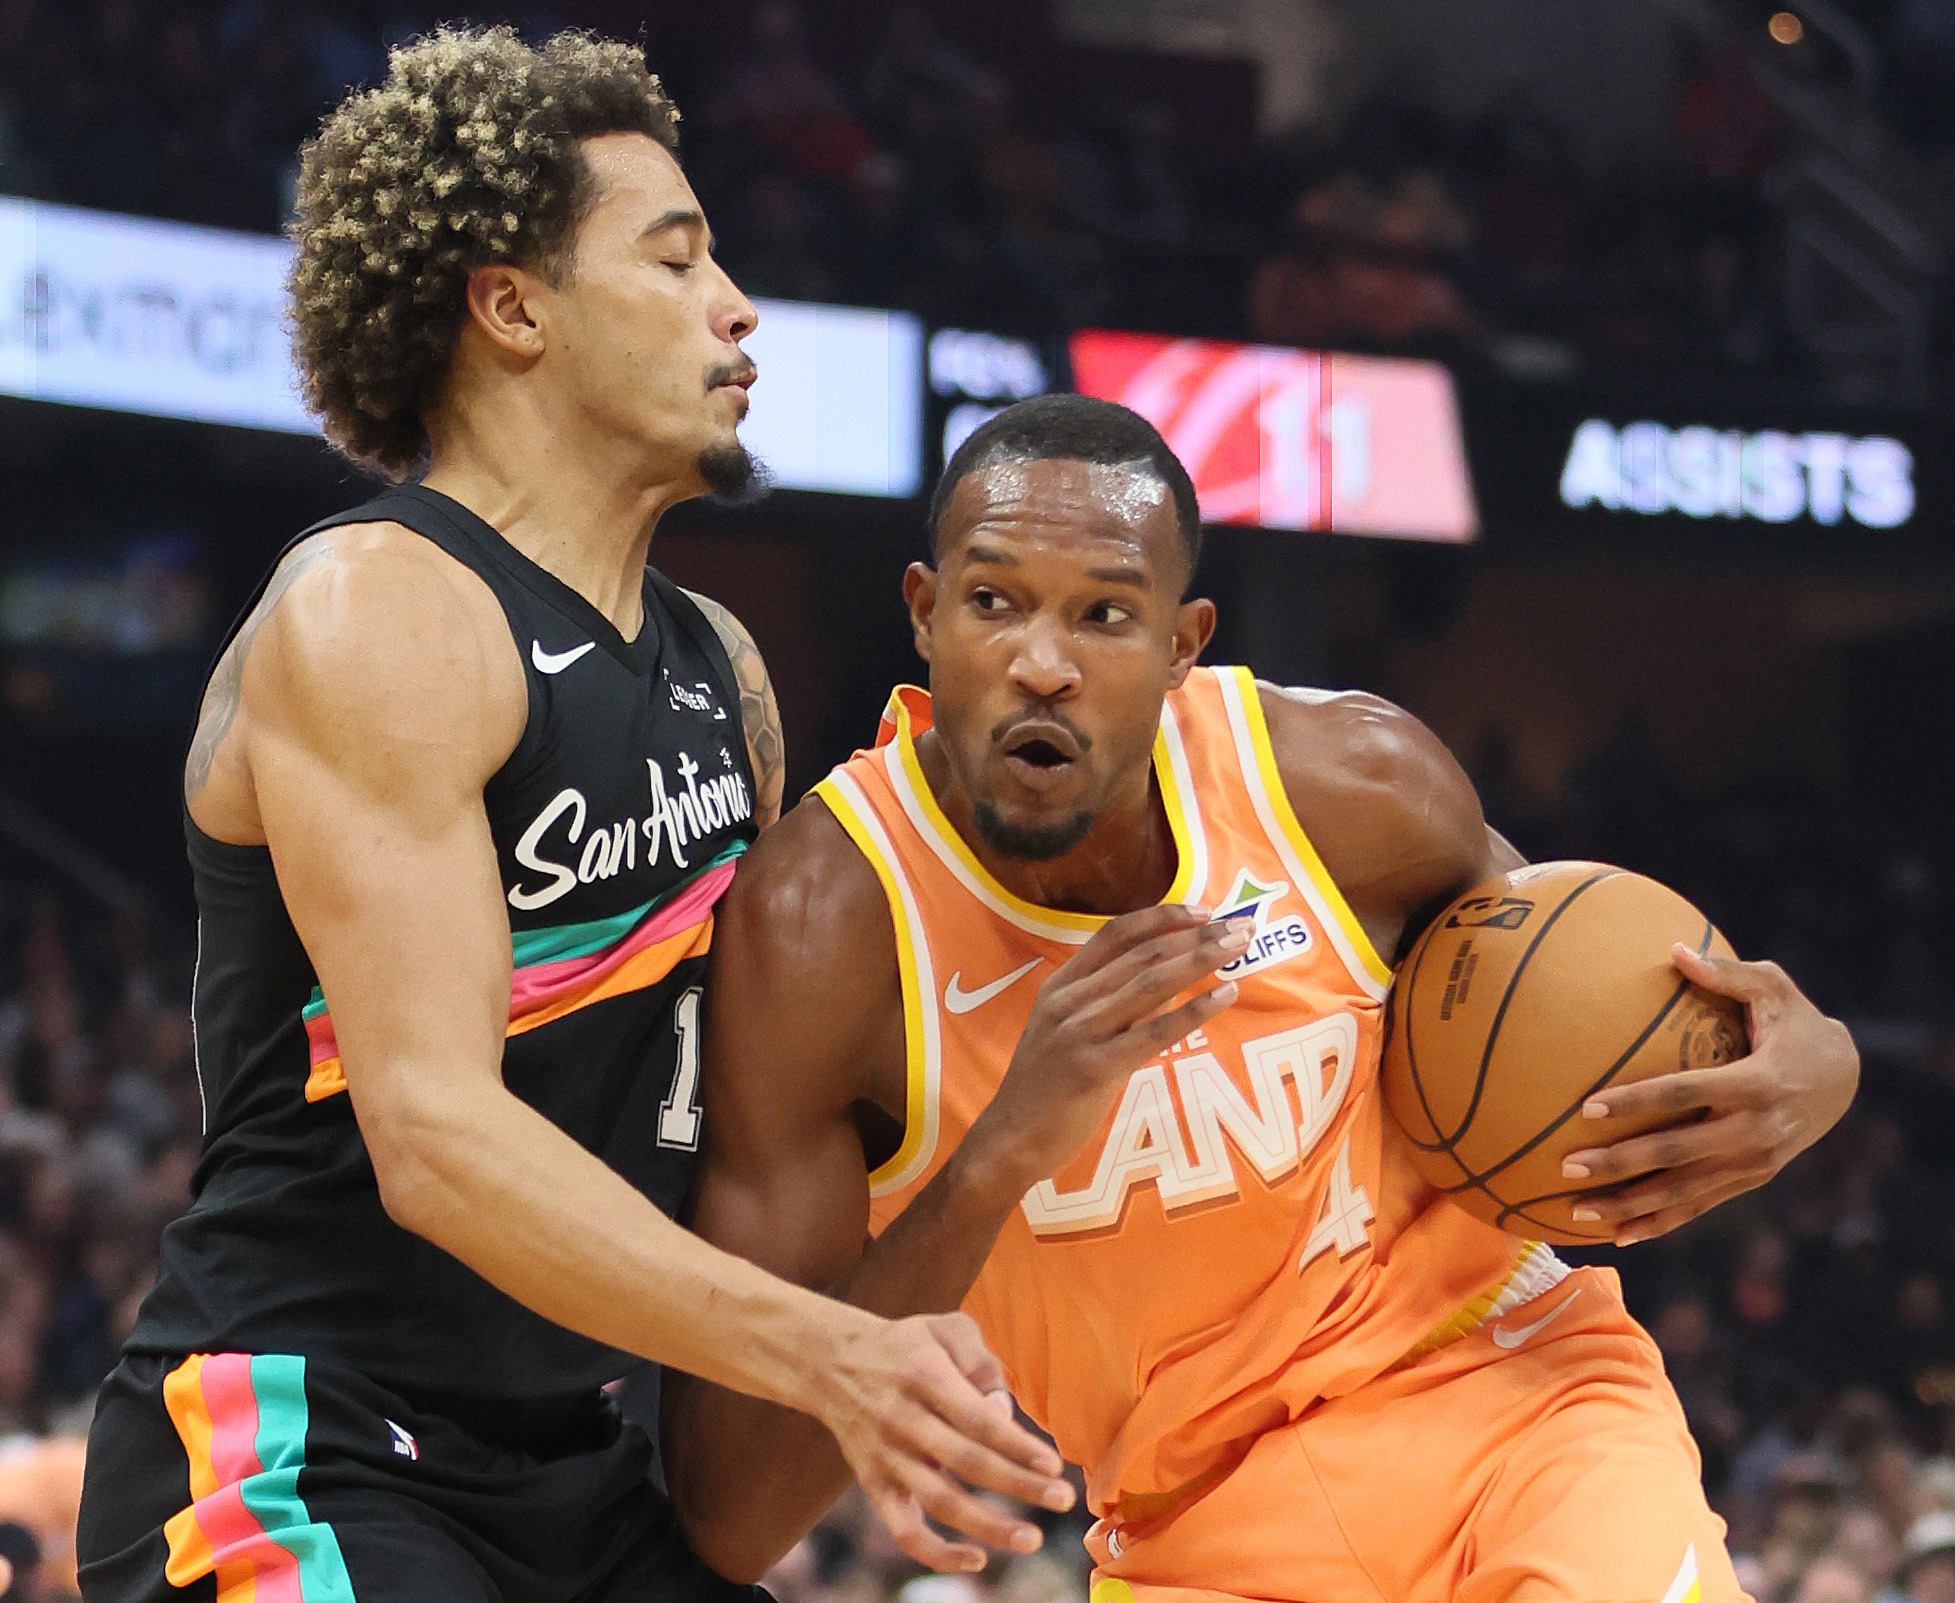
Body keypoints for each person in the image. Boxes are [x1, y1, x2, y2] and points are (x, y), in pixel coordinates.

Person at [76, 28, 1071, 1603]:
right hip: (307, 1442)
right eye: (675, 263)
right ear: (512, 305)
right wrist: (834, 1353)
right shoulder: (382, 608)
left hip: (585, 1471)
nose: (735, 304)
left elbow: (755, 1122)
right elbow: (437, 1140)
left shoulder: (720, 671)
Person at [663, 394, 1863, 1598]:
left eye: (1104, 615)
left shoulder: (1348, 787)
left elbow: (1596, 1007)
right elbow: (733, 1511)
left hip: (1514, 1400)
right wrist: (1000, 1152)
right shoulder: (827, 927)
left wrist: (1816, 1064)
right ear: (923, 613)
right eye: (993, 601)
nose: (1041, 662)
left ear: (1182, 643)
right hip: (1198, 1523)